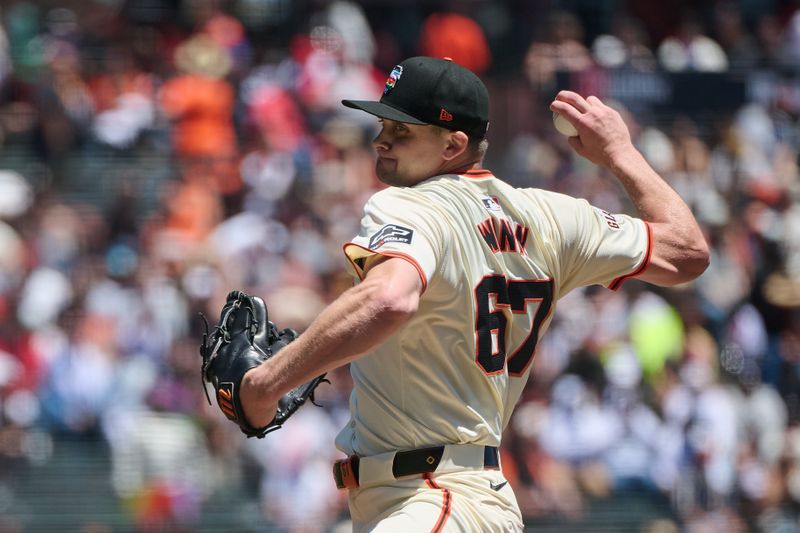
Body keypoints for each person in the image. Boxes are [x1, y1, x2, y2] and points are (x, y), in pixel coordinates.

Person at [238, 56, 709, 531]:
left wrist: (267, 382)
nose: (381, 138)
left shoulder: (411, 203)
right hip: (457, 497)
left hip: (431, 497)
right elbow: (686, 249)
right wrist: (620, 154)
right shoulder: (551, 217)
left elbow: (388, 299)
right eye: (383, 122)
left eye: (402, 130)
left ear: (453, 144)